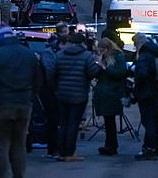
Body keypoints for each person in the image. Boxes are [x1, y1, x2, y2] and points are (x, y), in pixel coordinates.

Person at [0, 23, 41, 178]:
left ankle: (3, 175)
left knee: (0, 144)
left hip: (0, 105)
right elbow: (39, 81)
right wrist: (29, 96)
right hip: (23, 105)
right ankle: (19, 174)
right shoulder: (28, 54)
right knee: (19, 144)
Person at [54, 32, 100, 161]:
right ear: (83, 42)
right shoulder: (87, 56)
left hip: (62, 93)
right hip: (79, 93)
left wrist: (56, 87)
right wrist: (99, 67)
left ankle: (60, 151)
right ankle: (70, 152)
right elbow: (92, 73)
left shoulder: (60, 55)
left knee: (63, 123)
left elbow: (53, 72)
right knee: (73, 123)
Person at [38, 24, 69, 159]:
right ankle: (55, 148)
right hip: (52, 92)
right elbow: (50, 72)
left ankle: (55, 148)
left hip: (52, 91)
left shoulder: (49, 50)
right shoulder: (52, 52)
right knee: (55, 120)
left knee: (55, 121)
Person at [131, 32, 158, 161]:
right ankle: (156, 148)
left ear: (139, 43)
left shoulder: (144, 56)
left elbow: (142, 74)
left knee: (148, 121)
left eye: (135, 44)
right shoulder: (156, 53)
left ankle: (149, 149)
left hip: (146, 93)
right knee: (155, 121)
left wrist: (136, 84)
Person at [93, 38, 127, 156]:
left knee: (110, 119)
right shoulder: (102, 57)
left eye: (103, 50)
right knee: (108, 120)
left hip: (113, 92)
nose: (101, 52)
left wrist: (104, 67)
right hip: (104, 92)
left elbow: (120, 73)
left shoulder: (118, 56)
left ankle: (111, 145)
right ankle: (110, 144)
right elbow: (95, 75)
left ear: (108, 48)